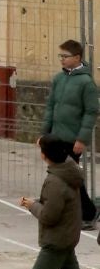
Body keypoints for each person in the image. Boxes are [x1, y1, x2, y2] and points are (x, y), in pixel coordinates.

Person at [0, 137, 100, 269]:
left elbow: (49, 217)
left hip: (56, 242)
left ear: (46, 156)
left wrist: (33, 205)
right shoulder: (68, 169)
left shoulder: (55, 181)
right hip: (66, 238)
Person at [43, 40, 99, 228]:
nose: (62, 60)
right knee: (58, 173)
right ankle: (56, 206)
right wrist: (45, 133)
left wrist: (82, 139)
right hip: (56, 135)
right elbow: (51, 105)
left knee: (70, 175)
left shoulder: (86, 82)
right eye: (61, 56)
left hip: (73, 138)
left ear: (77, 58)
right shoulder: (59, 79)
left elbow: (91, 112)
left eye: (65, 57)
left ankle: (89, 213)